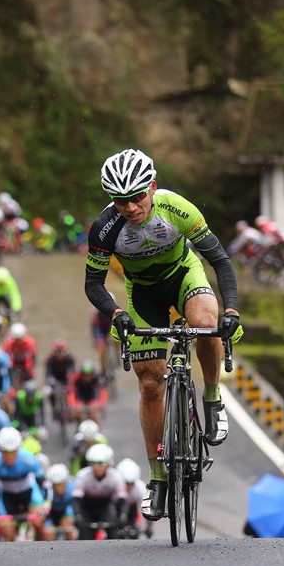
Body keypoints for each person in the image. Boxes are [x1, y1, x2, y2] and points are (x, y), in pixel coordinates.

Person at [84, 149, 241, 522]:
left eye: (138, 196)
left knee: (206, 320)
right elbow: (93, 283)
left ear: (152, 187)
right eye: (122, 201)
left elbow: (220, 261)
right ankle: (158, 478)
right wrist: (116, 313)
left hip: (183, 273)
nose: (132, 207)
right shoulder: (106, 228)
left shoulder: (178, 209)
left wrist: (231, 309)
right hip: (143, 293)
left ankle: (212, 396)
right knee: (151, 383)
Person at [0, 427, 47, 541]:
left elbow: (44, 485)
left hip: (30, 494)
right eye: (5, 452)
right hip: (7, 497)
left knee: (38, 523)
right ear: (0, 450)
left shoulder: (29, 459)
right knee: (8, 534)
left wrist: (45, 507)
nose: (9, 455)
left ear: (18, 449)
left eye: (13, 451)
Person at [71, 444, 127, 540]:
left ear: (108, 464)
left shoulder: (116, 476)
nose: (96, 467)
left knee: (113, 532)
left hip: (105, 506)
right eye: (93, 463)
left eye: (100, 463)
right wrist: (77, 516)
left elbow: (122, 499)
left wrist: (123, 515)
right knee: (85, 536)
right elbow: (76, 499)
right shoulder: (83, 475)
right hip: (87, 507)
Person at [42, 463, 78, 540]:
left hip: (65, 511)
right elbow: (46, 504)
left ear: (66, 482)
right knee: (50, 536)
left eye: (61, 484)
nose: (58, 488)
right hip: (51, 514)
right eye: (55, 485)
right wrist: (44, 513)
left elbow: (75, 505)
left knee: (68, 528)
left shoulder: (72, 487)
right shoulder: (48, 489)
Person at [68, 360, 108, 425]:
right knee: (78, 412)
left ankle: (97, 428)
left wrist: (102, 404)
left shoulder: (97, 378)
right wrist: (72, 405)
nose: (87, 377)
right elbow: (71, 393)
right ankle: (79, 425)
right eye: (85, 375)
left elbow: (102, 392)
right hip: (80, 397)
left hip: (92, 396)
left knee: (94, 413)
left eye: (89, 375)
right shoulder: (76, 379)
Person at [115, 458, 145, 539]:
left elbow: (146, 508)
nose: (128, 487)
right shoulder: (114, 485)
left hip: (132, 511)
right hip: (116, 511)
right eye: (125, 483)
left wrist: (149, 526)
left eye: (131, 483)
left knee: (134, 532)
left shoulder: (140, 488)